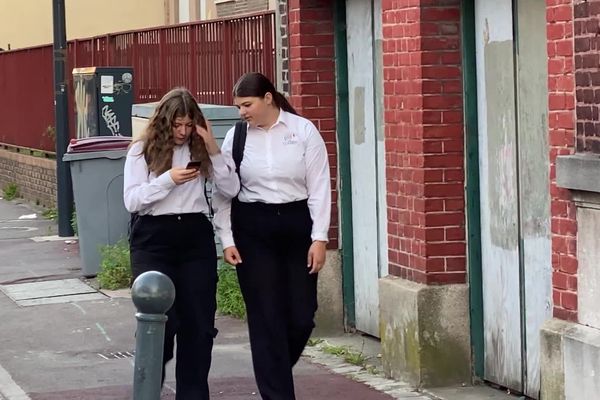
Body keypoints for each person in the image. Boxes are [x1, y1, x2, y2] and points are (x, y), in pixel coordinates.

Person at [213, 72, 331, 399]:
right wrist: (227, 239)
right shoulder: (236, 137)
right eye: (238, 107)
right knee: (265, 316)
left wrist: (319, 238)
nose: (242, 112)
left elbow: (320, 186)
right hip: (253, 226)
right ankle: (277, 394)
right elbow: (223, 192)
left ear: (268, 98)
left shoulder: (303, 130)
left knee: (302, 315)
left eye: (246, 104)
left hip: (297, 224)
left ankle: (274, 368)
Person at [123, 87, 239, 399]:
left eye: (189, 125)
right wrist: (167, 180)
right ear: (165, 121)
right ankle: (148, 390)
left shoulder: (201, 149)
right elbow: (132, 200)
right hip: (153, 239)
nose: (183, 132)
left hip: (193, 237)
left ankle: (193, 395)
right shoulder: (141, 150)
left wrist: (212, 146)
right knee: (162, 325)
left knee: (199, 326)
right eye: (177, 125)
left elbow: (231, 187)